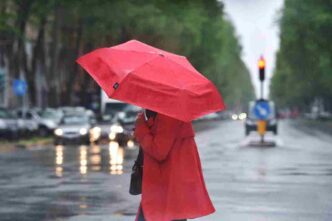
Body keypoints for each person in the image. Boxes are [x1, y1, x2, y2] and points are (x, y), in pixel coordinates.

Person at [134, 109, 215, 221]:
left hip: (167, 187)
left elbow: (158, 150)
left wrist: (141, 127)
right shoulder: (168, 113)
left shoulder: (169, 114)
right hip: (167, 187)